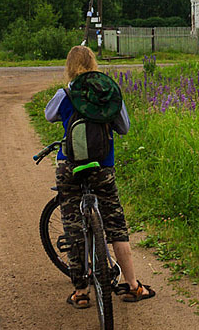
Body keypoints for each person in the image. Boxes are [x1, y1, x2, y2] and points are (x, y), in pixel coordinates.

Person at [44, 45, 155, 308]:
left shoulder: (66, 93)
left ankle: (81, 294)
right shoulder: (109, 93)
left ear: (69, 67)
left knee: (73, 230)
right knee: (116, 228)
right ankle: (133, 286)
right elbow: (124, 128)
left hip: (69, 167)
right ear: (94, 63)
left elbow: (49, 115)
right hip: (102, 166)